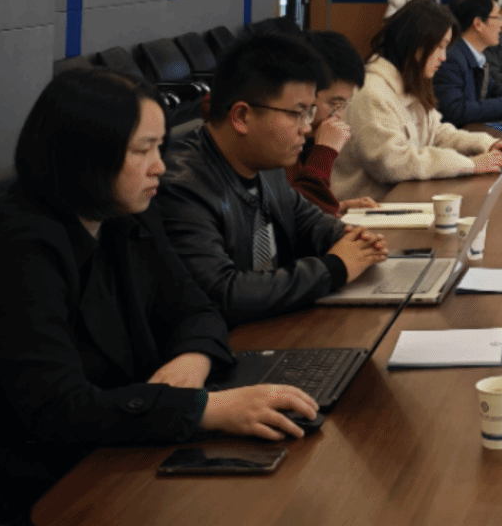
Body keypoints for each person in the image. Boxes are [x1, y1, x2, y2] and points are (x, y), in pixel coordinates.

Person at [0, 69, 323, 517]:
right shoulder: (18, 252)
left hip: (107, 452)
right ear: (86, 157)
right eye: (142, 150)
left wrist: (191, 362)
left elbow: (196, 308)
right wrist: (206, 410)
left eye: (159, 147)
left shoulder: (125, 214)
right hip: (16, 489)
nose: (159, 166)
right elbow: (58, 409)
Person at [157, 34, 388, 325]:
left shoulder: (267, 164)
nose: (306, 129)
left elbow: (310, 223)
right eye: (297, 114)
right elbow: (223, 293)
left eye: (310, 113)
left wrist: (353, 238)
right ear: (242, 116)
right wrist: (335, 268)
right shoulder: (181, 186)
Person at [331, 0, 502, 202]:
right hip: (369, 207)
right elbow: (392, 163)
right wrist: (470, 164)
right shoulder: (372, 92)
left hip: (400, 199)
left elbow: (436, 133)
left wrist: (486, 143)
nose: (443, 57)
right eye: (439, 47)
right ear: (414, 45)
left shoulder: (410, 81)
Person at [288, 30, 381, 217]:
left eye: (343, 105)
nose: (337, 115)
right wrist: (324, 153)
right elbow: (293, 219)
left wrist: (337, 206)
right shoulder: (277, 137)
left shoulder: (298, 136)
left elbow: (294, 204)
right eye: (334, 104)